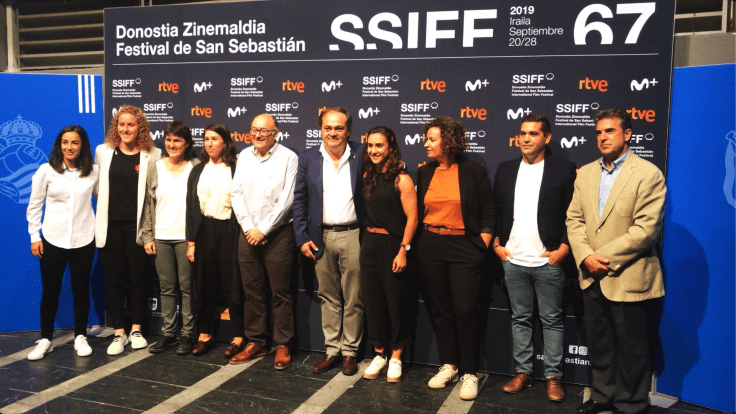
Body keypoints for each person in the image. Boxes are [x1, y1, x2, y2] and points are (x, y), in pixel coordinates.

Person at [566, 108, 666, 414]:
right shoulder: (586, 173)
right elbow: (574, 220)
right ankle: (602, 396)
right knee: (600, 343)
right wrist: (585, 256)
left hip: (628, 276)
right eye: (598, 132)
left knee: (632, 348)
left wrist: (602, 258)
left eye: (609, 131)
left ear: (627, 134)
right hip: (591, 274)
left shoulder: (648, 173)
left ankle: (631, 404)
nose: (603, 137)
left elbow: (645, 230)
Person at [492, 114, 576, 402]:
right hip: (513, 260)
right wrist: (496, 244)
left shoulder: (563, 169)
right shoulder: (505, 169)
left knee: (552, 320)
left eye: (533, 133)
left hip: (548, 261)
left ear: (546, 138)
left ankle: (553, 377)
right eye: (522, 133)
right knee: (520, 319)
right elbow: (495, 210)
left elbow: (574, 213)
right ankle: (523, 372)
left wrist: (564, 248)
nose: (525, 138)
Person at [417, 116, 495, 401]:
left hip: (465, 247)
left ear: (448, 142)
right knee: (441, 310)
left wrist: (481, 245)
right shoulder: (424, 172)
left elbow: (489, 212)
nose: (426, 144)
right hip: (431, 245)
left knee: (465, 310)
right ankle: (449, 365)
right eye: (426, 139)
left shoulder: (473, 171)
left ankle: (470, 372)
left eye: (432, 139)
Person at [293, 107, 365, 376]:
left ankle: (350, 352)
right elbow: (299, 200)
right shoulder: (308, 158)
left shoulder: (362, 154)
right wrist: (302, 237)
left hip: (355, 235)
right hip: (320, 236)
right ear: (320, 130)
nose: (332, 133)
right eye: (327, 128)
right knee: (329, 296)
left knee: (354, 297)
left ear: (348, 130)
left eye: (338, 128)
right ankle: (332, 350)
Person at [229, 114, 298, 369]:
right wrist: (249, 227)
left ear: (275, 134)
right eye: (254, 130)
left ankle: (283, 344)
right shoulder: (244, 156)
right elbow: (236, 193)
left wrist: (264, 230)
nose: (257, 135)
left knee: (281, 293)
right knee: (252, 292)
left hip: (278, 234)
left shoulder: (289, 157)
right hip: (247, 233)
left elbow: (287, 201)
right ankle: (256, 341)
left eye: (263, 131)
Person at [26, 126, 99, 360]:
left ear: (82, 145)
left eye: (75, 142)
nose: (69, 147)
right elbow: (34, 205)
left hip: (84, 240)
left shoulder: (93, 171)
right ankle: (45, 339)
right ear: (60, 145)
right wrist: (34, 236)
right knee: (50, 291)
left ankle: (80, 336)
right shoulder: (46, 171)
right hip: (52, 240)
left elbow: (104, 198)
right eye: (65, 142)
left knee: (81, 291)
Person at [95, 105, 161, 355]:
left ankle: (136, 329)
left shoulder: (153, 154)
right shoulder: (103, 152)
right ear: (116, 127)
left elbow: (153, 195)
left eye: (130, 124)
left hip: (138, 230)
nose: (125, 129)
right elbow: (98, 188)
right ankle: (118, 332)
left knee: (138, 280)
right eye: (121, 124)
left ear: (140, 127)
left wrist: (149, 231)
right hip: (110, 228)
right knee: (113, 281)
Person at [360, 126, 418, 383]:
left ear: (390, 147)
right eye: (370, 145)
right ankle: (379, 353)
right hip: (369, 243)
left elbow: (413, 218)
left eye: (379, 145)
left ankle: (396, 356)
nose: (374, 150)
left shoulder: (401, 179)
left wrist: (403, 250)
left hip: (393, 244)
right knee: (373, 302)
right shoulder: (367, 175)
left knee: (396, 303)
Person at [140, 121, 200, 355]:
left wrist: (195, 238)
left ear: (186, 144)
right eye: (168, 140)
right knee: (167, 288)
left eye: (177, 140)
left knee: (187, 288)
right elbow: (148, 204)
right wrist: (147, 236)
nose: (172, 144)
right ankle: (169, 334)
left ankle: (187, 335)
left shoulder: (196, 167)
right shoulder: (155, 167)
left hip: (186, 238)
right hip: (161, 237)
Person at [185, 123, 245, 357]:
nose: (209, 144)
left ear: (225, 142)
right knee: (205, 284)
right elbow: (191, 209)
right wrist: (191, 242)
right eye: (206, 139)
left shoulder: (236, 169)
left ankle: (238, 337)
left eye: (214, 139)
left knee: (233, 285)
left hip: (229, 231)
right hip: (203, 232)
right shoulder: (198, 170)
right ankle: (204, 335)